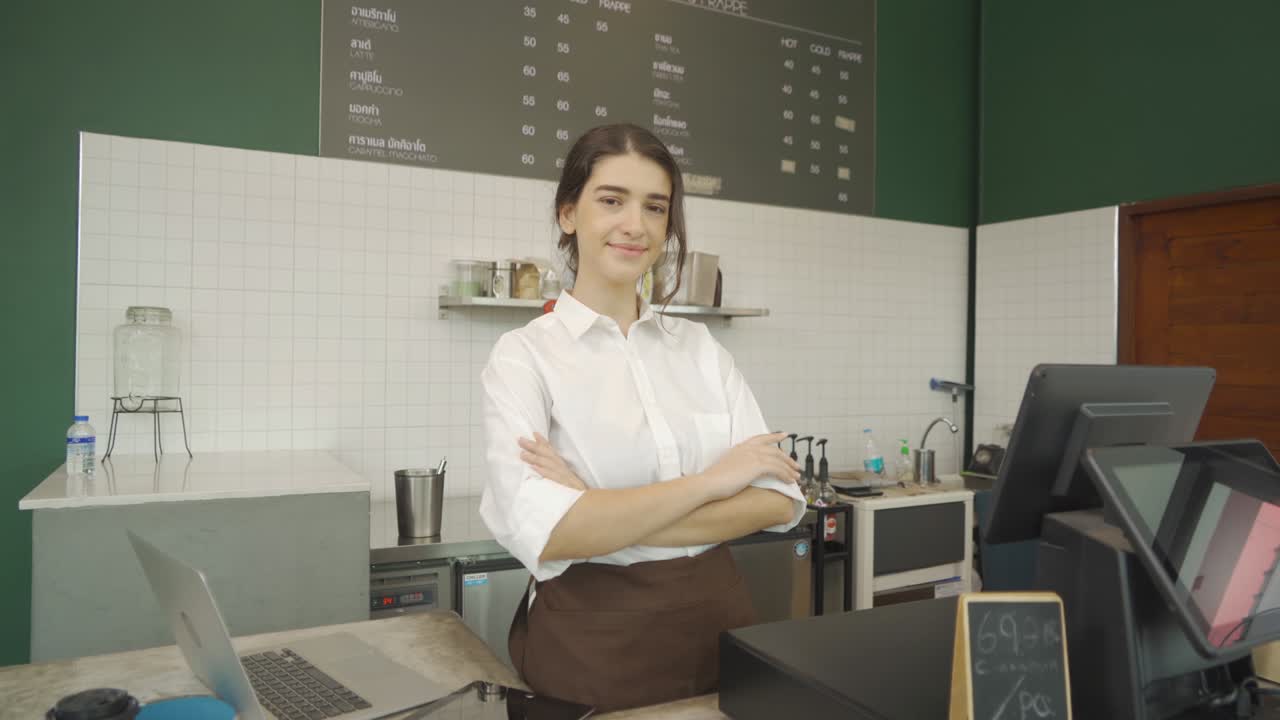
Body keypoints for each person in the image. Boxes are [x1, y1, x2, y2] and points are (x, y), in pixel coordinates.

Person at [479, 123, 805, 712]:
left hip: (719, 635)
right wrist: (712, 483)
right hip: (591, 646)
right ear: (569, 213)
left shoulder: (701, 349)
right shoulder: (524, 357)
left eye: (655, 208)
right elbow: (553, 532)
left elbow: (779, 500)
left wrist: (598, 507)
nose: (636, 224)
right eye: (612, 200)